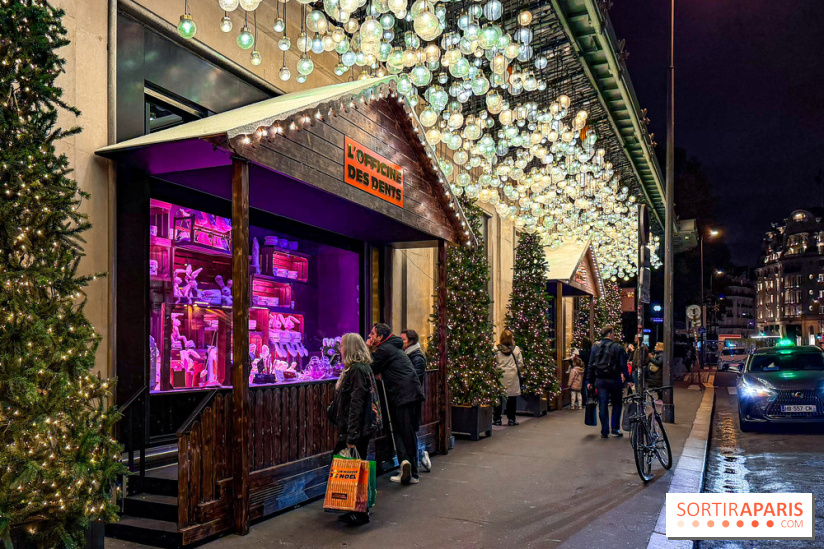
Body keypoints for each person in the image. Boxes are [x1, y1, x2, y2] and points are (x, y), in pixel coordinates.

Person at [331, 333, 380, 526]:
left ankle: (359, 511)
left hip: (356, 430)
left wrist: (351, 435)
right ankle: (351, 506)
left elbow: (356, 405)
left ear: (349, 348)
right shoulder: (360, 368)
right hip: (358, 429)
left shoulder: (357, 371)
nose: (339, 349)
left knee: (353, 468)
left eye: (342, 345)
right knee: (352, 467)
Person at [367, 323, 424, 485]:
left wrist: (367, 348)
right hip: (411, 393)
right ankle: (408, 465)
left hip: (403, 395)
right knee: (406, 431)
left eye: (372, 334)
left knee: (403, 431)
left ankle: (411, 470)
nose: (370, 336)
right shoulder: (393, 348)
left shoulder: (384, 350)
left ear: (380, 337)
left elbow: (369, 367)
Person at [586, 325, 630, 438]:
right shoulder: (618, 348)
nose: (614, 336)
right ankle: (615, 428)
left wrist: (589, 381)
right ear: (610, 334)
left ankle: (604, 430)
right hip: (615, 379)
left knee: (603, 405)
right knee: (617, 404)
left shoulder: (596, 348)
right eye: (613, 334)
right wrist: (628, 379)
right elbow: (623, 366)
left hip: (600, 380)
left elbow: (591, 365)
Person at [400, 329, 431, 472]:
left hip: (412, 399)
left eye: (403, 340)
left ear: (411, 342)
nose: (401, 343)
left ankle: (419, 456)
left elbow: (415, 379)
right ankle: (418, 455)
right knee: (409, 431)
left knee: (410, 431)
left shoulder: (417, 357)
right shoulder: (408, 355)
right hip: (410, 398)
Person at [494, 329, 523, 426]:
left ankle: (497, 419)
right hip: (512, 376)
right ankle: (511, 419)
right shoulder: (516, 349)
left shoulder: (496, 349)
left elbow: (493, 363)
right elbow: (520, 364)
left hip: (500, 375)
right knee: (512, 398)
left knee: (498, 397)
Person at [579, 336, 593, 404]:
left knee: (584, 384)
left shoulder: (582, 353)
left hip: (584, 368)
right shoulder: (591, 351)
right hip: (590, 368)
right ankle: (587, 398)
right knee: (586, 383)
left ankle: (585, 400)